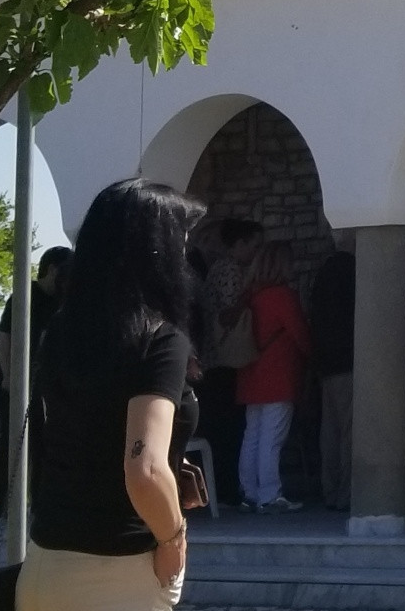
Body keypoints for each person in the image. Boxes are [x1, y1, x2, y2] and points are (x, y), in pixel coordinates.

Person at [22, 178, 202, 611]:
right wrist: (173, 539)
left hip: (46, 559)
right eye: (180, 239)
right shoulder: (160, 340)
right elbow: (144, 468)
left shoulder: (62, 331)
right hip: (120, 570)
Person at [0, 244, 72, 516]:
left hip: (49, 386)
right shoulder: (25, 296)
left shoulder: (62, 301)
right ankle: (4, 504)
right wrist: (10, 376)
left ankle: (40, 503)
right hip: (18, 384)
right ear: (52, 269)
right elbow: (4, 336)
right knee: (13, 445)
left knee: (45, 446)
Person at [235, 241, 310, 511]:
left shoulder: (249, 296)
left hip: (250, 374)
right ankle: (270, 495)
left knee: (252, 436)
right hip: (279, 376)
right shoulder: (283, 296)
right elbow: (302, 337)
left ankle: (249, 492)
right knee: (272, 438)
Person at [198, 217, 263, 508]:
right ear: (239, 244)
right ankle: (226, 490)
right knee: (229, 429)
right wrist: (248, 295)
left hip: (216, 361)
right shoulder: (230, 270)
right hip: (224, 362)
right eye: (254, 246)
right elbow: (227, 316)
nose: (255, 253)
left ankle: (222, 489)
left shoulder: (218, 268)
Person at [309, 232, 357, 512]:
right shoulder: (352, 271)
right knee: (350, 431)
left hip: (326, 362)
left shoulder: (323, 272)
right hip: (348, 360)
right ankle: (347, 493)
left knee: (331, 430)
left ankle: (330, 490)